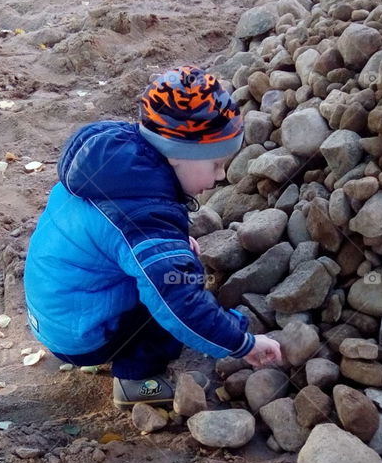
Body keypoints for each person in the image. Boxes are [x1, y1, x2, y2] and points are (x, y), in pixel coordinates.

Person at [23, 64, 283, 408]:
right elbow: (181, 305)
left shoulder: (118, 161)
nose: (220, 177)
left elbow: (113, 237)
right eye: (215, 164)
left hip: (59, 313)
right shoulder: (144, 218)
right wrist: (243, 343)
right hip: (78, 337)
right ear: (178, 156)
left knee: (166, 268)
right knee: (169, 295)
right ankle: (136, 384)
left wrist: (169, 250)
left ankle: (107, 340)